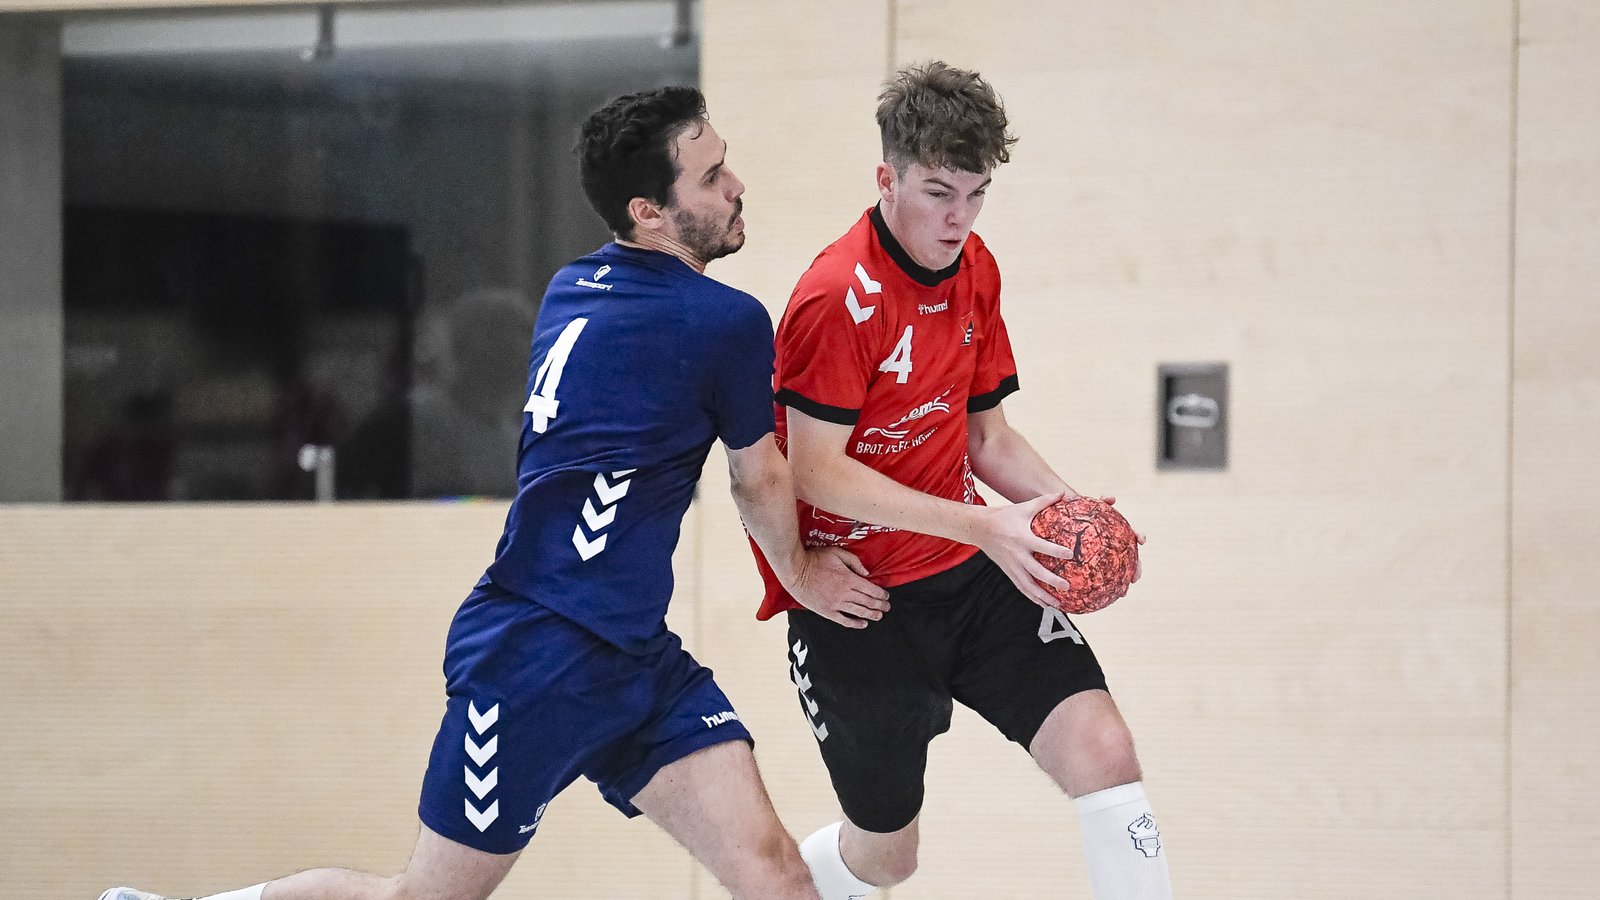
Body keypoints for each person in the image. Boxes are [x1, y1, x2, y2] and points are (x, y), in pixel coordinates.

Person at [100, 85, 889, 900]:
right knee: (422, 898)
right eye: (712, 174)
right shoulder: (721, 319)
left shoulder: (572, 287)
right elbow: (754, 476)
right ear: (649, 211)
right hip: (536, 654)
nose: (736, 185)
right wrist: (800, 576)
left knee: (778, 878)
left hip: (634, 657)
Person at [749, 61, 1175, 899]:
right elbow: (816, 472)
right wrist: (988, 526)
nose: (959, 218)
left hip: (970, 578)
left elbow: (986, 436)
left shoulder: (976, 268)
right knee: (888, 858)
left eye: (976, 194)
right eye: (940, 192)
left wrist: (1068, 513)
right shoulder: (837, 296)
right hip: (858, 602)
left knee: (1107, 754)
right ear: (888, 177)